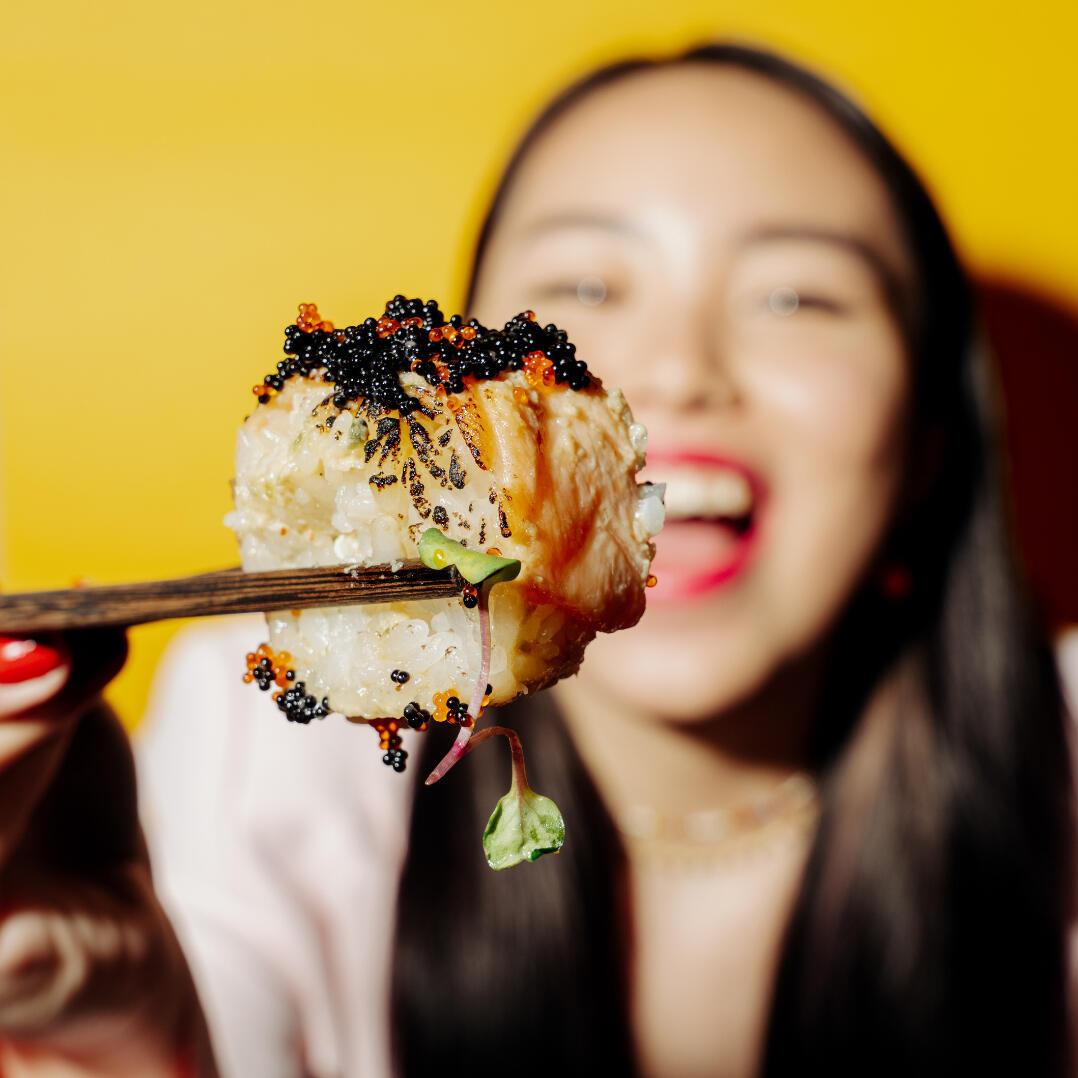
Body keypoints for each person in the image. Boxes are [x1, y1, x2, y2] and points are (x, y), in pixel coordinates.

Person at [0, 43, 1072, 1078]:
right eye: (589, 287)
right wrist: (125, 1042)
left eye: (796, 296)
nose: (680, 369)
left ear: (928, 446)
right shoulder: (280, 763)